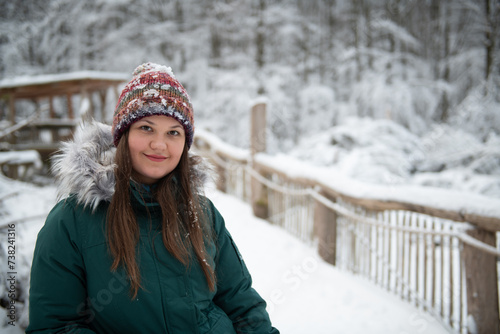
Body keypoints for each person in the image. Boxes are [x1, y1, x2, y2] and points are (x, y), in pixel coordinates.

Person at [27, 62, 279, 334]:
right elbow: (55, 327)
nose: (159, 144)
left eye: (173, 132)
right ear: (122, 135)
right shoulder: (72, 221)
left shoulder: (202, 211)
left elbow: (242, 305)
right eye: (146, 128)